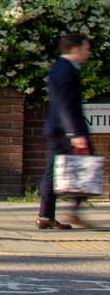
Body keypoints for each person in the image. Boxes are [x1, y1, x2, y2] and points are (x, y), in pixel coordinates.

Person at [39, 33, 95, 230]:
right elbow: (66, 105)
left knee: (52, 172)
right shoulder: (66, 70)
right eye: (86, 48)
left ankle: (46, 215)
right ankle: (74, 211)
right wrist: (75, 134)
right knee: (87, 166)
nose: (88, 52)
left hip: (56, 129)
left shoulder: (60, 67)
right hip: (67, 131)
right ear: (76, 49)